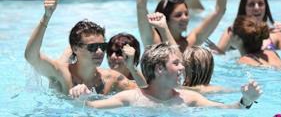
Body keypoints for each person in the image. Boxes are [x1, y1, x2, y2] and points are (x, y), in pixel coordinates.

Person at [76, 43, 262, 109]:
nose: (183, 67)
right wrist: (80, 97)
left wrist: (246, 100)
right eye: (176, 63)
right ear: (159, 69)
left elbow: (232, 109)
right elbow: (90, 108)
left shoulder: (190, 99)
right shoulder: (131, 98)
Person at [24, 0, 137, 95]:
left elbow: (146, 94)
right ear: (75, 49)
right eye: (92, 47)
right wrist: (46, 17)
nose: (100, 52)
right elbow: (31, 56)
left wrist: (132, 68)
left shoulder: (111, 78)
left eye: (103, 46)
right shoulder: (61, 74)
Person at [216, 0, 281, 54]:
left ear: (266, 7)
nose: (256, 8)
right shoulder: (233, 32)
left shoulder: (275, 34)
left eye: (260, 4)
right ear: (244, 8)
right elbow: (217, 56)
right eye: (251, 4)